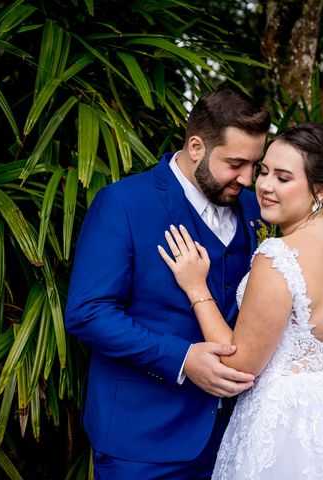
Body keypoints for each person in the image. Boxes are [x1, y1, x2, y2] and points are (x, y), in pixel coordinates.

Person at [159, 123, 323, 479]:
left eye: (283, 178)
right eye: (265, 171)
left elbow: (239, 367)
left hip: (286, 424)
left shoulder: (279, 256)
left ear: (321, 189)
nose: (265, 186)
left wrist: (197, 289)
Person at [64, 88, 271, 479]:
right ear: (196, 146)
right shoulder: (123, 203)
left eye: (254, 165)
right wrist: (182, 358)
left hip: (231, 438)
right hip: (141, 439)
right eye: (235, 163)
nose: (248, 179)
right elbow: (87, 313)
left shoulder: (250, 209)